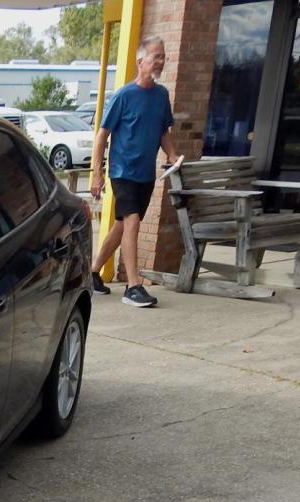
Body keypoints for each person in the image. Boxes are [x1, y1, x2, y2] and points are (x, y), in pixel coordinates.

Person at [88, 36, 180, 309]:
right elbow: (101, 136)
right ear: (141, 62)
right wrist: (97, 173)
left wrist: (172, 154)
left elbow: (163, 130)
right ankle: (133, 286)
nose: (161, 61)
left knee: (122, 225)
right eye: (156, 57)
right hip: (122, 171)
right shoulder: (124, 95)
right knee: (133, 222)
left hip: (146, 173)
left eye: (163, 56)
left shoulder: (161, 95)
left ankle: (92, 272)